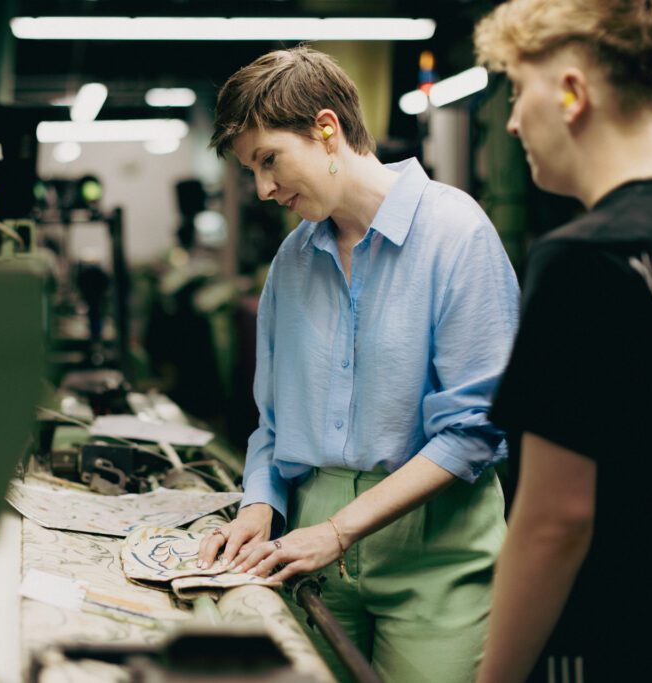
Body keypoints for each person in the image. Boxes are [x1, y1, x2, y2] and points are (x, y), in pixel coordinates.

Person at [196, 46, 520, 682]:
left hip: (434, 556)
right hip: (309, 551)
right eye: (251, 171)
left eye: (269, 160)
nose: (263, 189)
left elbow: (476, 429)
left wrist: (342, 530)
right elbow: (272, 419)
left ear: (326, 129)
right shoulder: (292, 261)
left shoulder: (456, 233)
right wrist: (260, 504)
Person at [473, 1, 652, 681]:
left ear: (571, 92)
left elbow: (554, 520)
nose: (510, 121)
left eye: (516, 89)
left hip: (613, 644)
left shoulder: (581, 260)